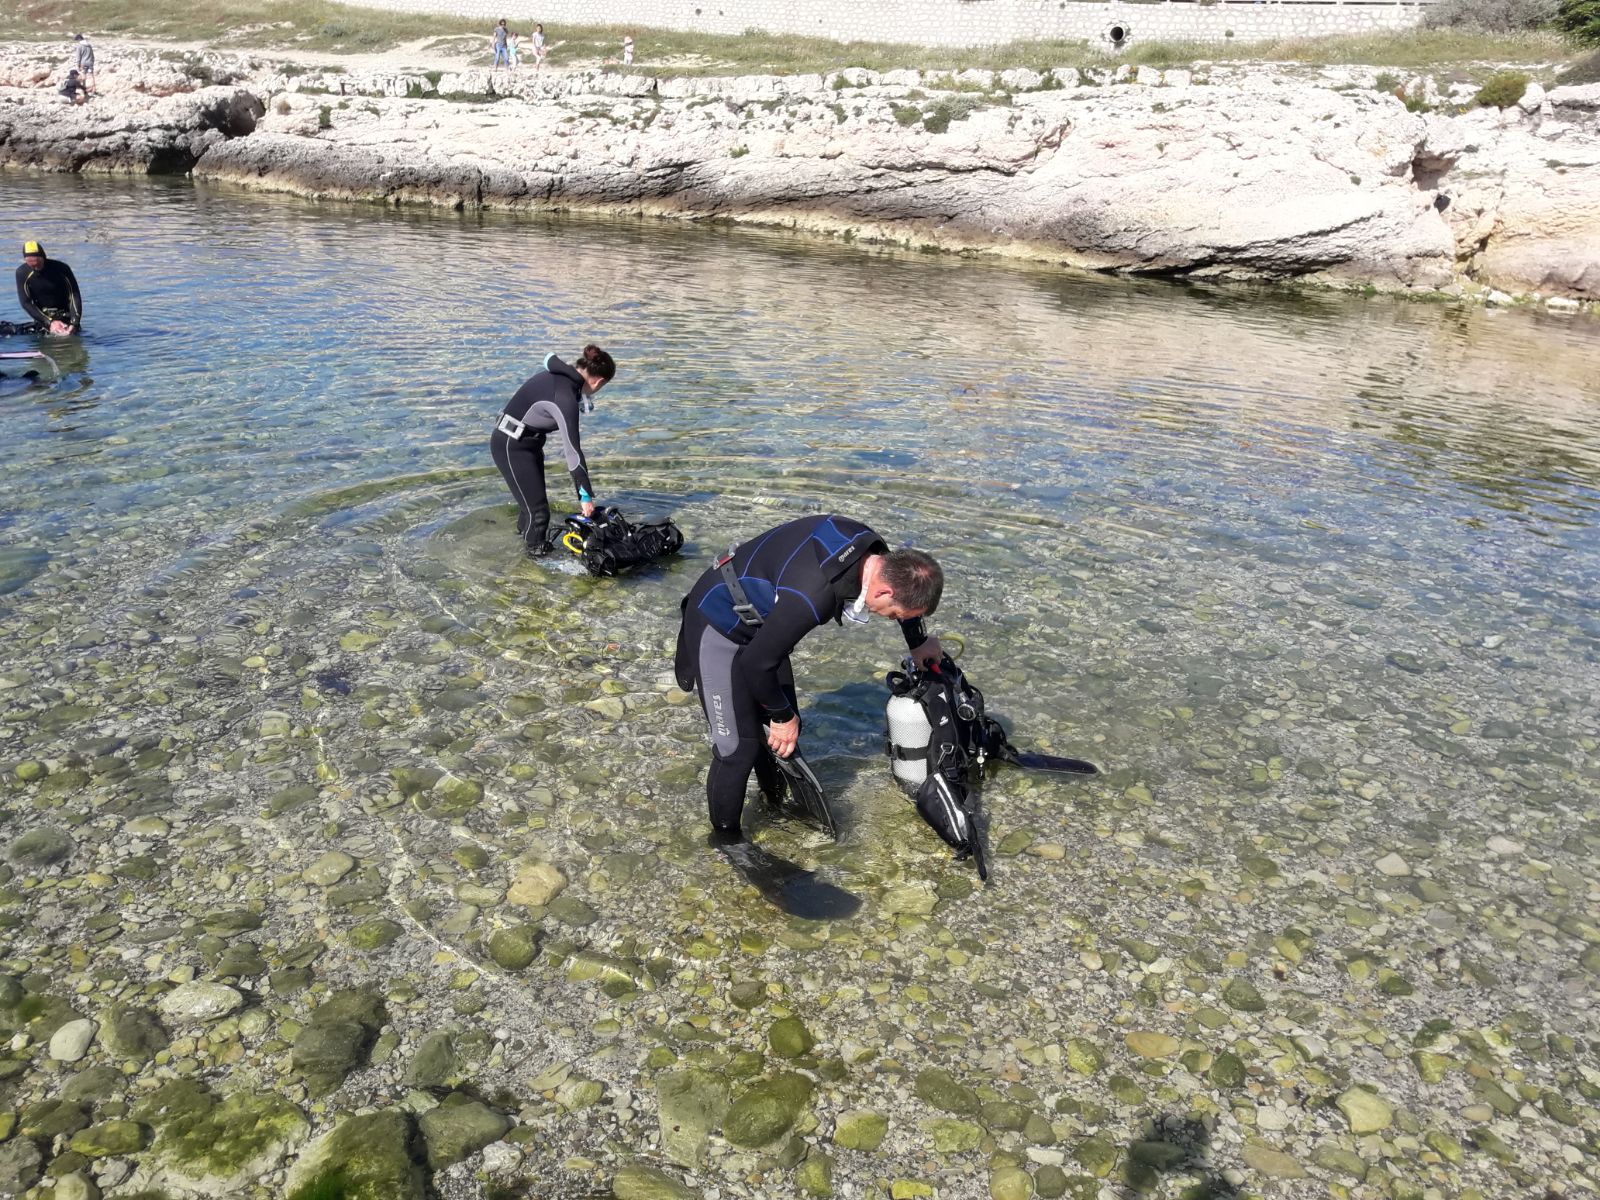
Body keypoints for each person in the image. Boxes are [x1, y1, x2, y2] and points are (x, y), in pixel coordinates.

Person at [675, 515, 945, 835]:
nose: (891, 620)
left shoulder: (873, 549)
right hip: (718, 623)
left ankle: (773, 803)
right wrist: (780, 715)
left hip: (761, 626)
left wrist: (918, 641)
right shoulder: (812, 596)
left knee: (786, 738)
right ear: (885, 593)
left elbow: (906, 587)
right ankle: (726, 838)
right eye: (897, 616)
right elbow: (756, 662)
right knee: (737, 748)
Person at [490, 345, 615, 557]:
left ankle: (519, 549)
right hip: (512, 446)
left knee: (531, 508)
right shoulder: (565, 397)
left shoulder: (562, 374)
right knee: (538, 514)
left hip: (525, 443)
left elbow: (549, 359)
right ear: (599, 382)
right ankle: (535, 567)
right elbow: (573, 452)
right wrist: (585, 497)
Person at [16, 242, 82, 335]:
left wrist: (74, 323)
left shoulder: (62, 269)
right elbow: (26, 302)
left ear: (43, 257)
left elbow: (74, 295)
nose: (36, 268)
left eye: (38, 264)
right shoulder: (22, 273)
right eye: (32, 266)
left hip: (66, 320)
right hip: (43, 321)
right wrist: (49, 322)